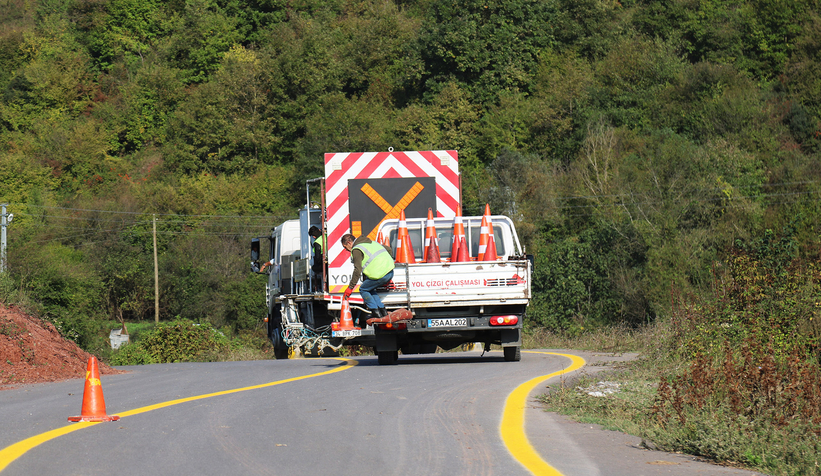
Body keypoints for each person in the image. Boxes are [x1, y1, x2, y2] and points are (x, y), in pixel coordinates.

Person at [341, 233, 394, 327]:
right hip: (390, 272)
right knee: (369, 288)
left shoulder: (356, 249)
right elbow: (389, 249)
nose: (346, 250)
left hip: (380, 275)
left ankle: (375, 312)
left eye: (345, 247)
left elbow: (357, 270)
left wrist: (350, 288)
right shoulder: (370, 243)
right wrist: (385, 266)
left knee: (363, 289)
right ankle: (382, 311)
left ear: (349, 243)